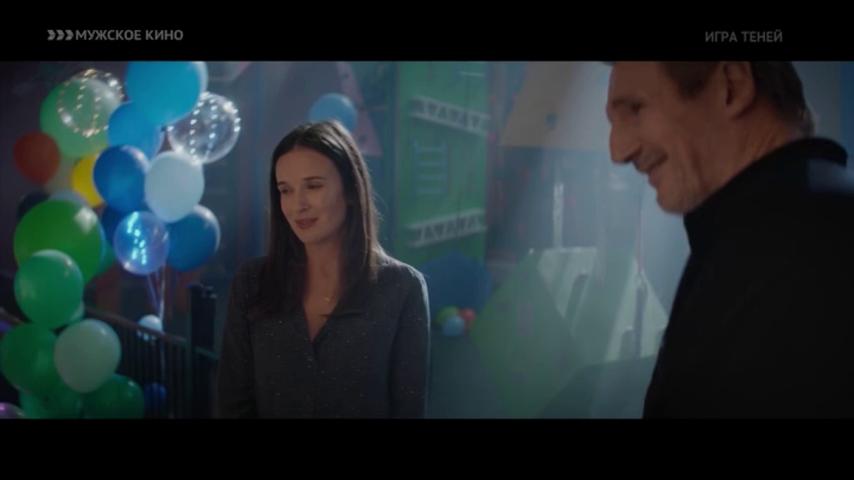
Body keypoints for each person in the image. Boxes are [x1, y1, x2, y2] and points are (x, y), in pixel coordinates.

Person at [606, 61, 854, 417]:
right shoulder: (755, 233)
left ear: (732, 86)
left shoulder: (804, 253)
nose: (618, 150)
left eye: (635, 109)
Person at [216, 121, 430, 418]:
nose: (298, 205)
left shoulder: (401, 287)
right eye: (285, 190)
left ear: (351, 190)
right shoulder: (252, 283)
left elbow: (408, 409)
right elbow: (233, 404)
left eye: (313, 186)